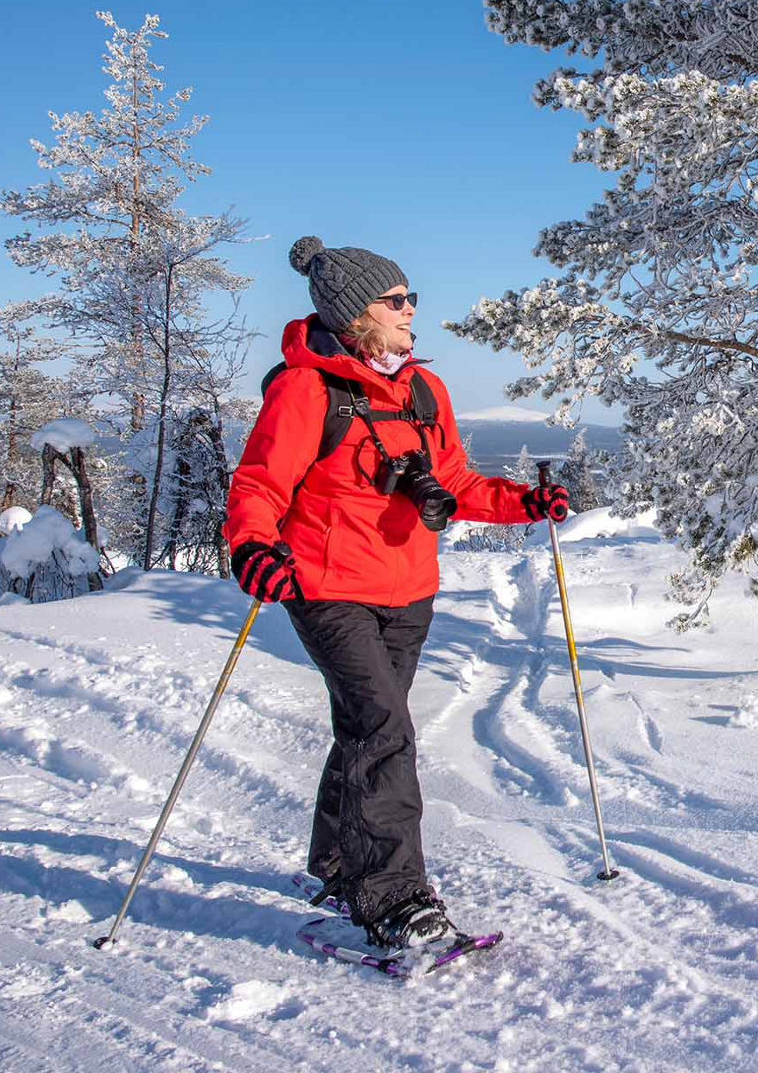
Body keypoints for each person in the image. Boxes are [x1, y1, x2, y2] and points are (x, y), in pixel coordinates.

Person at [223, 236, 568, 949]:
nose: (412, 309)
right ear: (357, 315)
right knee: (384, 731)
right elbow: (258, 483)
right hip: (324, 587)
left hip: (408, 590)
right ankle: (393, 902)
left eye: (411, 297)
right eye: (397, 299)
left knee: (367, 727)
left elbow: (457, 484)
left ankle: (338, 863)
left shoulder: (421, 389)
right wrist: (252, 547)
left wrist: (523, 504)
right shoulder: (305, 390)